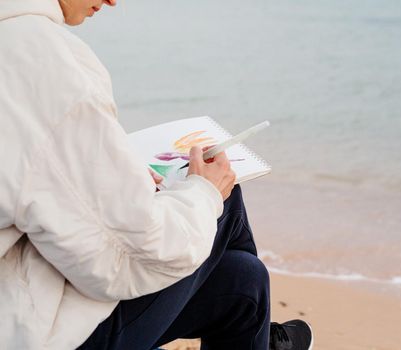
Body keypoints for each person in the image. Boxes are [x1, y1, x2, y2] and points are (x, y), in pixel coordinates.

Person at [0, 0, 313, 349]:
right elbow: (118, 260)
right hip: (32, 333)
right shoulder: (43, 60)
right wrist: (204, 194)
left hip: (17, 300)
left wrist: (121, 179)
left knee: (245, 281)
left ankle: (262, 339)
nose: (113, 0)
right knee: (225, 196)